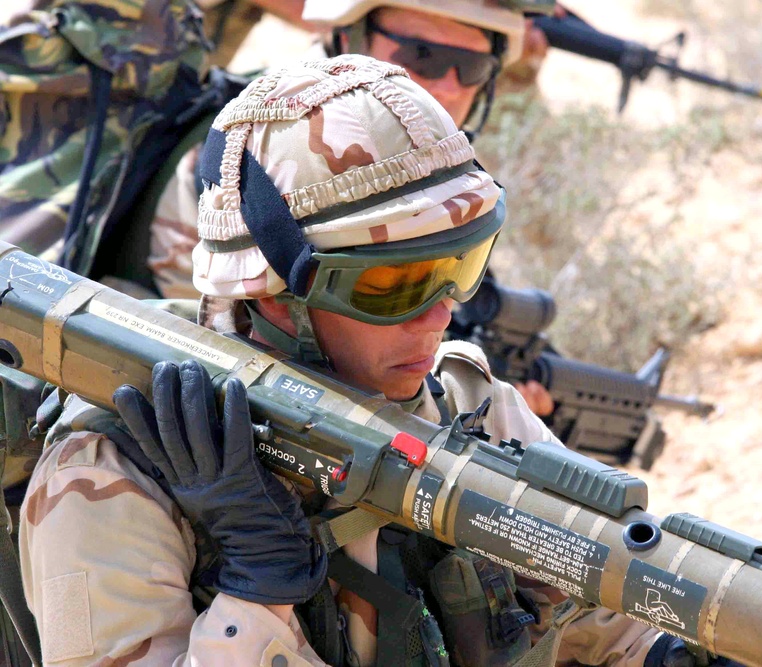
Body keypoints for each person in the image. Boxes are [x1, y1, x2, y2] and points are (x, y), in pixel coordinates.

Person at [19, 56, 717, 666]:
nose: (441, 313)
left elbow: (607, 618)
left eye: (459, 265)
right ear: (274, 293)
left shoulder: (465, 402)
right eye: (394, 283)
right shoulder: (111, 475)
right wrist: (257, 591)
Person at [145, 0, 556, 415]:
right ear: (348, 38)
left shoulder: (450, 170)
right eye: (424, 56)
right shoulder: (249, 170)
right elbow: (240, 341)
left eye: (472, 68)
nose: (448, 86)